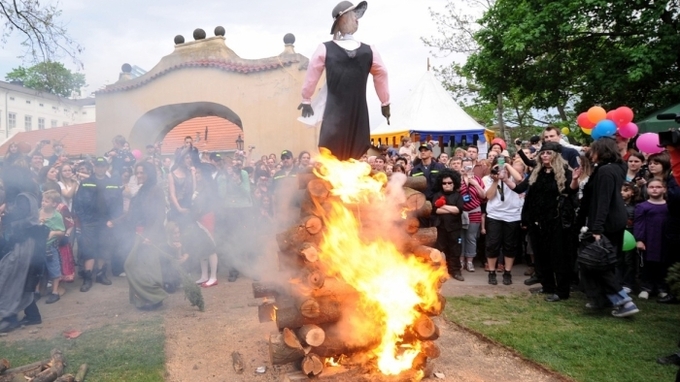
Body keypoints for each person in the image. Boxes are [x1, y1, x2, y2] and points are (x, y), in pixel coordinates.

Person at [298, 0, 390, 160]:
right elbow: (313, 72)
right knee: (334, 149)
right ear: (343, 19)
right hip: (338, 111)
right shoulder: (328, 48)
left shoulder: (367, 50)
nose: (357, 19)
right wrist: (385, 102)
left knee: (353, 149)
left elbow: (381, 73)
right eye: (354, 15)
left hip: (355, 110)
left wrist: (385, 102)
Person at [503, 142, 577, 302]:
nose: (544, 156)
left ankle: (562, 291)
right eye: (543, 153)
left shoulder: (565, 172)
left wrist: (575, 179)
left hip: (556, 222)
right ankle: (547, 286)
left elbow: (571, 191)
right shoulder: (537, 172)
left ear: (556, 155)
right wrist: (505, 180)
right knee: (541, 255)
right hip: (537, 221)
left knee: (558, 256)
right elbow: (519, 189)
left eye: (548, 153)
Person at [577, 137, 639, 317]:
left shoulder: (606, 171)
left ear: (602, 151)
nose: (590, 153)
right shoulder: (617, 167)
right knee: (605, 261)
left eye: (594, 150)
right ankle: (601, 299)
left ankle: (622, 300)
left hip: (607, 222)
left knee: (596, 262)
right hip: (615, 220)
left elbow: (603, 201)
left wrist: (596, 229)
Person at [0, 166, 48, 333]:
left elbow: (21, 218)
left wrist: (4, 214)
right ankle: (33, 315)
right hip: (29, 243)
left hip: (24, 244)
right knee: (22, 280)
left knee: (10, 278)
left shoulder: (23, 198)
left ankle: (9, 319)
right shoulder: (28, 195)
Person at [72, 157, 124, 292]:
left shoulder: (113, 183)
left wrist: (113, 220)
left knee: (104, 248)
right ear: (94, 167)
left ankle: (101, 275)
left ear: (106, 167)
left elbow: (118, 204)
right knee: (88, 249)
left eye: (103, 166)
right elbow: (78, 203)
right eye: (98, 166)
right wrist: (84, 220)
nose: (100, 168)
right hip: (89, 222)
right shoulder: (86, 182)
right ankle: (88, 278)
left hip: (106, 222)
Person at [123, 161, 168, 310]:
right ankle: (145, 299)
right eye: (137, 172)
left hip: (150, 234)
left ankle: (156, 297)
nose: (139, 175)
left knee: (140, 266)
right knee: (141, 267)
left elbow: (160, 215)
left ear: (149, 173)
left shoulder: (156, 190)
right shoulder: (142, 190)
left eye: (142, 172)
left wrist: (152, 236)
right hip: (140, 233)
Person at [484, 158, 524, 286]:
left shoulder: (512, 176)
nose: (499, 169)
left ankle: (507, 272)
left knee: (510, 246)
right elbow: (488, 196)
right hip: (494, 215)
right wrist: (496, 181)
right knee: (492, 244)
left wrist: (506, 166)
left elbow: (519, 180)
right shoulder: (488, 179)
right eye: (497, 166)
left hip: (512, 216)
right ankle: (491, 272)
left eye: (502, 166)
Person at [635, 179, 669, 300]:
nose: (655, 189)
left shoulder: (669, 206)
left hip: (664, 239)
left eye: (658, 187)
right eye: (651, 187)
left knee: (663, 264)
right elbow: (639, 223)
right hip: (649, 239)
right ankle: (646, 288)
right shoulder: (642, 206)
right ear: (647, 189)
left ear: (664, 189)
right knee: (647, 264)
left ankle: (661, 288)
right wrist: (639, 239)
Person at [432, 169, 465, 281]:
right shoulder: (437, 195)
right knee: (439, 250)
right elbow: (436, 210)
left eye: (449, 183)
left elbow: (458, 210)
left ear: (454, 183)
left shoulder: (458, 196)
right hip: (440, 227)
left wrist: (443, 206)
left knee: (455, 250)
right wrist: (448, 208)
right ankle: (439, 272)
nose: (447, 185)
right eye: (444, 183)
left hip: (455, 228)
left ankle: (455, 271)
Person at [39, 190, 66, 304]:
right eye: (43, 200)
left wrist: (54, 233)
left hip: (50, 248)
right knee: (38, 269)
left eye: (46, 201)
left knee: (54, 269)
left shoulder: (57, 216)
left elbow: (62, 231)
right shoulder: (38, 212)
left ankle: (55, 292)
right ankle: (37, 291)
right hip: (38, 247)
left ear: (54, 204)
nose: (43, 203)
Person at [459, 157, 485, 272]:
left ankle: (469, 261)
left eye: (469, 166)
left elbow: (483, 196)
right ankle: (460, 260)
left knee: (471, 237)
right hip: (460, 212)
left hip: (474, 211)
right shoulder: (457, 179)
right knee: (460, 238)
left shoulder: (478, 180)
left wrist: (474, 184)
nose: (467, 168)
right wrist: (461, 180)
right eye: (465, 166)